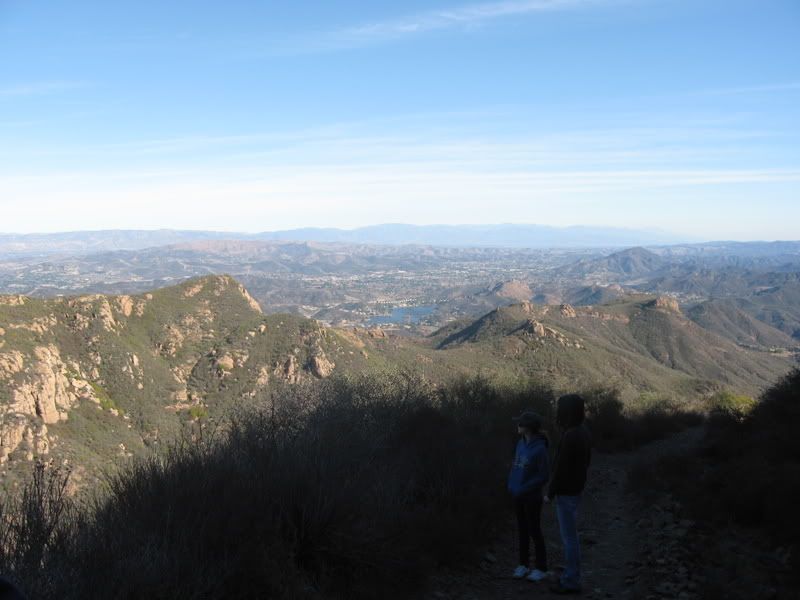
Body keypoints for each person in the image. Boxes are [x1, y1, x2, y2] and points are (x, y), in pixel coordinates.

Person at [545, 393, 591, 595]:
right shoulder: (583, 431)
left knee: (569, 537)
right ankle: (571, 573)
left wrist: (550, 492)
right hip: (576, 489)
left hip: (566, 492)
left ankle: (571, 580)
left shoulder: (570, 434)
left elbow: (560, 468)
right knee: (571, 536)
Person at [507, 411, 550, 582]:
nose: (518, 426)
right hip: (517, 494)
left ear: (529, 427)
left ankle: (541, 568)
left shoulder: (540, 449)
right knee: (522, 529)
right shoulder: (520, 444)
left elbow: (544, 475)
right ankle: (523, 565)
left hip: (532, 496)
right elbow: (515, 466)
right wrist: (511, 484)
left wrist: (525, 487)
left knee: (534, 530)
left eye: (521, 424)